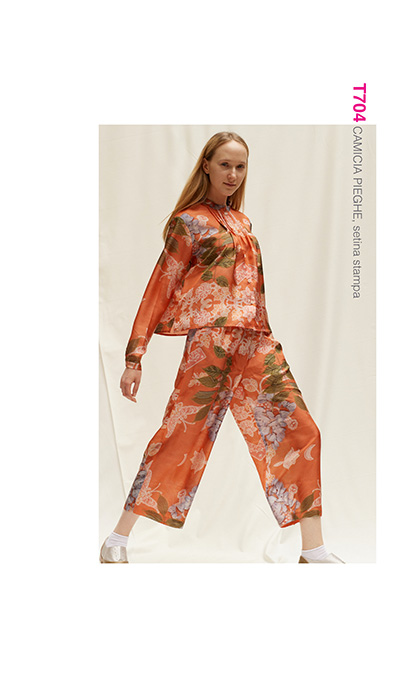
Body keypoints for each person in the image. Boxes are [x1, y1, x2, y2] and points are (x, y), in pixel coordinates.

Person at [100, 131, 344, 564]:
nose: (233, 174)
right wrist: (134, 356)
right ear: (207, 166)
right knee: (179, 437)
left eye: (240, 166)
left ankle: (314, 550)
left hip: (256, 341)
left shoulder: (244, 223)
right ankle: (117, 539)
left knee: (302, 430)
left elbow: (255, 291)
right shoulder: (188, 222)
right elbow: (160, 286)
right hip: (211, 345)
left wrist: (266, 334)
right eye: (225, 164)